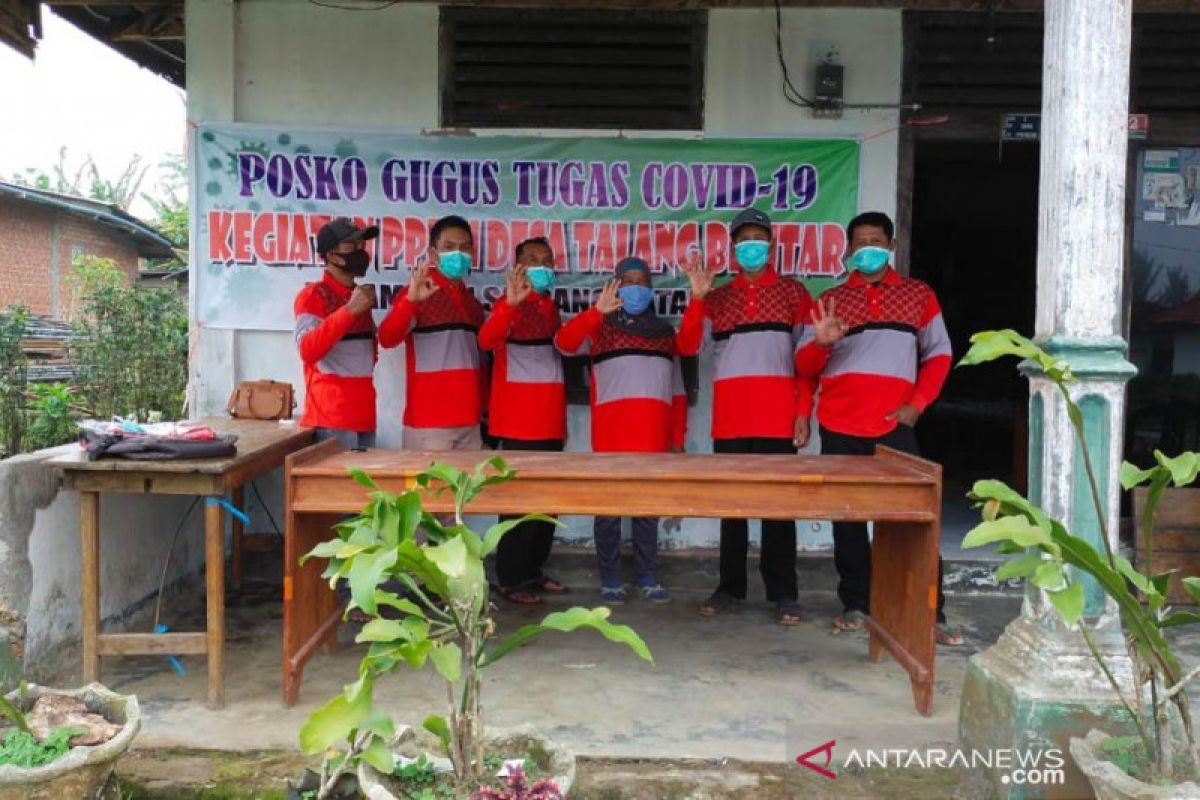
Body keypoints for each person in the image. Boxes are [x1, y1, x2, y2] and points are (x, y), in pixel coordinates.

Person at [793, 210, 962, 645]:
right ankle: (856, 603)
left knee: (912, 519)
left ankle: (931, 613)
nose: (866, 248)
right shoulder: (827, 301)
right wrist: (822, 342)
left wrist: (917, 404)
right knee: (847, 519)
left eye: (875, 240)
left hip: (894, 425)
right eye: (859, 242)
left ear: (890, 245)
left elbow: (939, 353)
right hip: (840, 424)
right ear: (847, 251)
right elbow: (804, 368)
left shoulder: (918, 295)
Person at [677, 208, 816, 626]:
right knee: (732, 509)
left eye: (759, 237)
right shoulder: (716, 298)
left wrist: (802, 412)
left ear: (770, 244)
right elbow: (686, 347)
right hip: (732, 420)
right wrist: (698, 299)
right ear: (733, 247)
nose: (751, 245)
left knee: (779, 510)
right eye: (744, 239)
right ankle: (729, 588)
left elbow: (806, 362)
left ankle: (784, 594)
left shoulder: (794, 293)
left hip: (778, 418)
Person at [554, 257, 685, 604]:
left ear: (652, 289)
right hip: (611, 438)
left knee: (647, 514)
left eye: (642, 281)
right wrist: (596, 312)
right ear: (615, 286)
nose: (635, 288)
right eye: (627, 281)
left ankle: (647, 576)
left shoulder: (665, 333)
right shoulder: (600, 327)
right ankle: (610, 579)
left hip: (654, 437)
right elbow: (565, 343)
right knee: (608, 515)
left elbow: (677, 390)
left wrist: (677, 440)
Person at [478, 237, 568, 604]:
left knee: (547, 504)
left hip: (549, 422)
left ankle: (533, 570)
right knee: (516, 506)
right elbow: (486, 341)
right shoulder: (506, 305)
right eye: (532, 260)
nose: (540, 266)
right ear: (516, 267)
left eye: (546, 260)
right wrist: (509, 306)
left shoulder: (552, 307)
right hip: (516, 423)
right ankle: (510, 578)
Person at [379, 215, 486, 451]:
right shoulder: (417, 292)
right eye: (449, 247)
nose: (458, 254)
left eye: (465, 247)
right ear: (433, 254)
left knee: (471, 489)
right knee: (429, 490)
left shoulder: (471, 303)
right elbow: (387, 338)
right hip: (430, 425)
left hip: (470, 421)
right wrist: (410, 302)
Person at [294, 217, 383, 450]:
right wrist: (349, 311)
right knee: (336, 487)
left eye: (362, 246)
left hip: (364, 413)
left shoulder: (359, 295)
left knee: (365, 488)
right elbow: (308, 350)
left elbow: (369, 355)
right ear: (332, 255)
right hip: (330, 417)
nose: (361, 252)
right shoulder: (314, 295)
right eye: (352, 247)